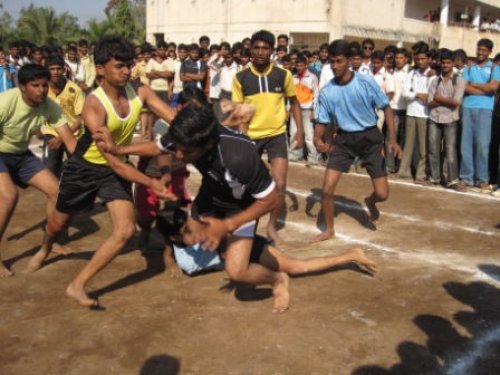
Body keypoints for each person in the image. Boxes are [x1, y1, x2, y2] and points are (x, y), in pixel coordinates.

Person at [94, 101, 291, 313]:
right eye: (177, 148)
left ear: (206, 145)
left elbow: (271, 199)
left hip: (240, 206)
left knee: (236, 272)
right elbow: (159, 147)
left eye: (185, 151)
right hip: (211, 194)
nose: (177, 155)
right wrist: (119, 149)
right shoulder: (186, 134)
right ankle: (230, 247)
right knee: (187, 237)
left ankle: (277, 279)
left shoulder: (238, 156)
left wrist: (227, 225)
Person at [27, 37, 177, 308]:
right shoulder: (93, 107)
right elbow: (119, 163)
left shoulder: (140, 91)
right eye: (119, 66)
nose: (126, 71)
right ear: (100, 69)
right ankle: (45, 247)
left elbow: (174, 119)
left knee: (125, 230)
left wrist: (200, 125)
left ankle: (77, 285)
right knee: (56, 224)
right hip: (83, 168)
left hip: (113, 170)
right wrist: (150, 182)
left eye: (128, 65)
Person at [312, 40, 402, 242]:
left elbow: (386, 107)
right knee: (327, 189)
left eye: (339, 61)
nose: (335, 66)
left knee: (382, 194)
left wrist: (393, 140)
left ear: (349, 61)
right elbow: (323, 120)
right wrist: (317, 138)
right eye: (332, 62)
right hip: (343, 140)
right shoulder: (327, 91)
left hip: (370, 138)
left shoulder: (365, 81)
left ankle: (370, 202)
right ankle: (329, 230)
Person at [156, 205, 377, 283]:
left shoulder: (194, 223)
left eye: (188, 223)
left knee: (296, 267)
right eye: (186, 230)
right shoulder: (187, 262)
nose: (194, 229)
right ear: (174, 238)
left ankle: (351, 255)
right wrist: (169, 258)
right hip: (240, 257)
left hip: (247, 246)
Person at [0, 64, 76, 276]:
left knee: (58, 192)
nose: (41, 90)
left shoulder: (49, 105)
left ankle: (50, 241)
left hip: (22, 155)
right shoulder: (4, 102)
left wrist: (89, 166)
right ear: (22, 87)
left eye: (44, 85)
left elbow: (69, 140)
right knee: (8, 196)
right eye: (35, 86)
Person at [232, 30, 305, 243]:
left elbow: (294, 102)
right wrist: (241, 139)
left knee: (280, 183)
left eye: (265, 48)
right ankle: (247, 224)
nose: (261, 52)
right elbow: (238, 111)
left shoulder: (283, 75)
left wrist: (299, 130)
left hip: (276, 135)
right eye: (257, 48)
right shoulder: (240, 78)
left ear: (272, 51)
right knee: (246, 184)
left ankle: (272, 226)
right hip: (251, 136)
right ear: (251, 49)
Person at [458, 38, 500, 193]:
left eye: (484, 50)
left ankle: (482, 179)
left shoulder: (495, 68)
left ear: (489, 52)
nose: (480, 53)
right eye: (479, 49)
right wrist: (484, 89)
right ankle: (466, 177)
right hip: (468, 107)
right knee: (466, 144)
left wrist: (474, 86)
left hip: (485, 109)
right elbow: (464, 88)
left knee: (482, 145)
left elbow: (494, 87)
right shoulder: (469, 68)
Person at [41, 54, 85, 178]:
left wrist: (63, 137)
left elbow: (81, 117)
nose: (55, 72)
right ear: (46, 71)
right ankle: (55, 195)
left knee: (78, 168)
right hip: (51, 132)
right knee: (51, 167)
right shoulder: (42, 89)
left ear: (64, 69)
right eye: (52, 69)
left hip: (73, 133)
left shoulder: (74, 89)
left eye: (58, 68)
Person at [427, 49, 466, 190]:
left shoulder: (458, 80)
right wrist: (444, 100)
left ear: (452, 63)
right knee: (433, 150)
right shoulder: (435, 80)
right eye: (443, 62)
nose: (445, 65)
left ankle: (452, 180)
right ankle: (435, 177)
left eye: (448, 63)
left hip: (450, 119)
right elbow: (430, 102)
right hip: (434, 118)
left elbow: (456, 102)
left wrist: (438, 98)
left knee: (450, 151)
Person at [399, 43, 434, 184]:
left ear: (429, 59)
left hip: (425, 114)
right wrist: (418, 95)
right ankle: (404, 171)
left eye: (423, 59)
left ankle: (420, 174)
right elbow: (404, 93)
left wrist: (416, 95)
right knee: (408, 144)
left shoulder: (432, 75)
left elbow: (430, 96)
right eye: (418, 59)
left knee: (423, 147)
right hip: (411, 112)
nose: (420, 62)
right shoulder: (412, 73)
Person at [288, 54, 320, 165]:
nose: (299, 67)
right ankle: (294, 154)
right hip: (295, 109)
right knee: (293, 133)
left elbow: (316, 94)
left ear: (306, 65)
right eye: (297, 65)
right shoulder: (293, 78)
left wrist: (314, 110)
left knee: (309, 134)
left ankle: (313, 156)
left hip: (307, 109)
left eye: (301, 65)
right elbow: (290, 96)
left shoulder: (312, 77)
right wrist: (288, 109)